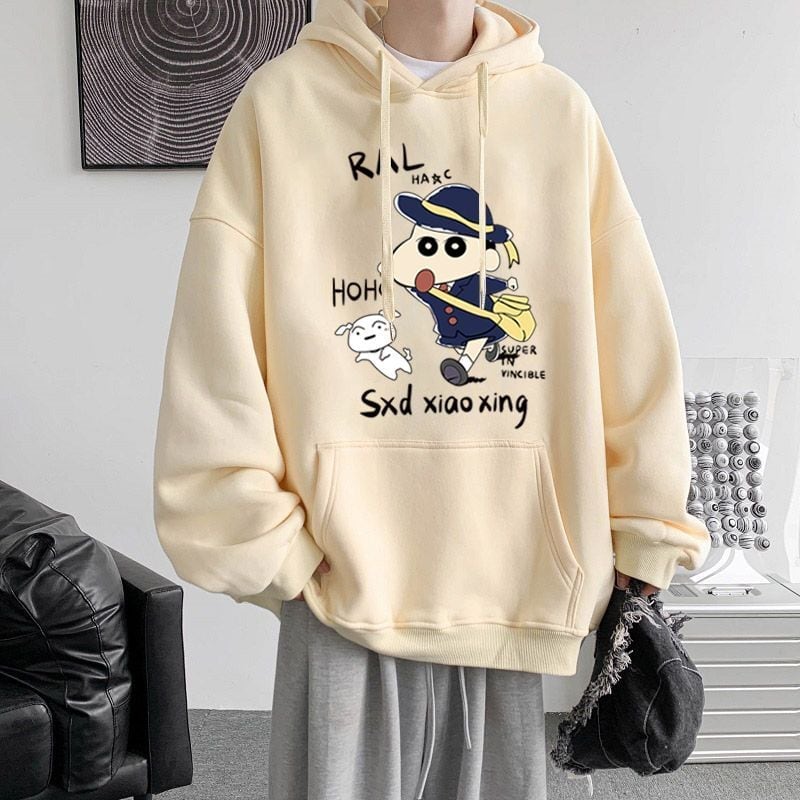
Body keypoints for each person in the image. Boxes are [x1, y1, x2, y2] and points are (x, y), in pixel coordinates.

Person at [152, 1, 711, 798]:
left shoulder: (556, 111)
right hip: (345, 581)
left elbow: (632, 341)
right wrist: (263, 542)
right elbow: (216, 347)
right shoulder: (283, 102)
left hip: (521, 579)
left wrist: (647, 528)